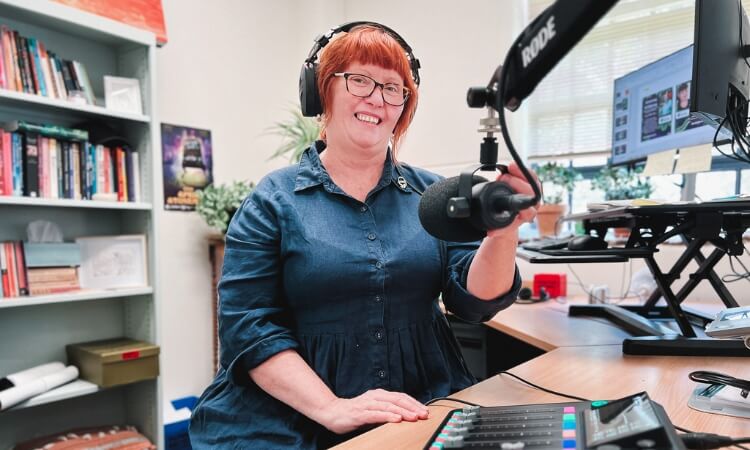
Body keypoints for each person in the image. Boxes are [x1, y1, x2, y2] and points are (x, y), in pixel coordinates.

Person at [189, 23, 537, 449]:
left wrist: (503, 233)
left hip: (418, 403)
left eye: (394, 88)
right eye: (359, 80)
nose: (377, 97)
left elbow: (475, 300)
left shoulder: (435, 196)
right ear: (322, 91)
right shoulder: (272, 201)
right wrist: (331, 407)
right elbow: (249, 327)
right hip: (292, 415)